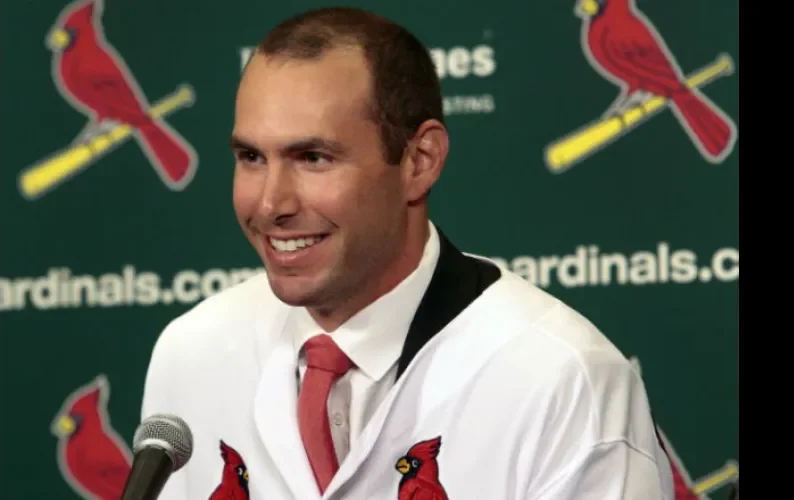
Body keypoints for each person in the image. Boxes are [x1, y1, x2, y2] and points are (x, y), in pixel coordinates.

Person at [141, 6, 675, 499]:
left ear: (419, 161)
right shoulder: (190, 353)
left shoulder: (564, 380)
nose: (270, 202)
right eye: (251, 156)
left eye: (312, 157)